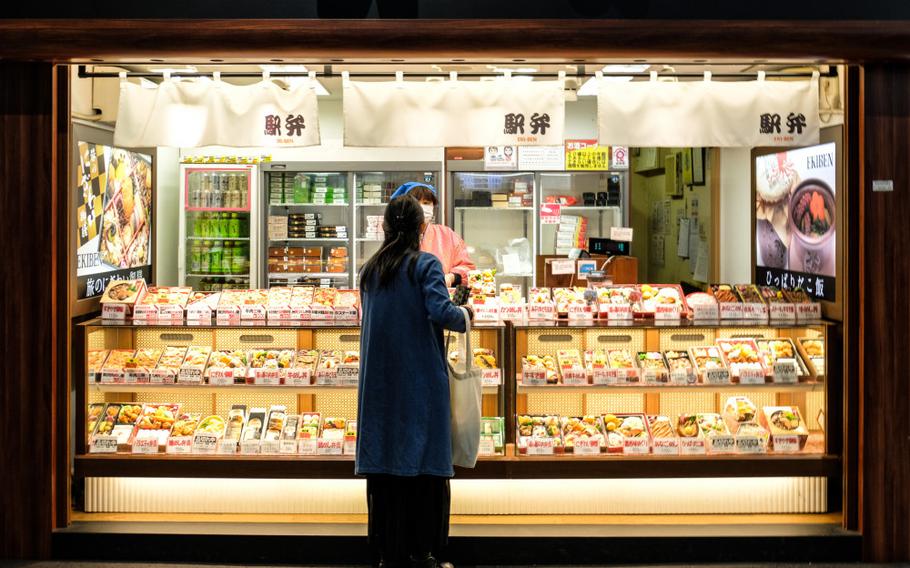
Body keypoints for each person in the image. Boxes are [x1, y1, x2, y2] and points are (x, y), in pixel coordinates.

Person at [356, 195, 473, 568]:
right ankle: (424, 553)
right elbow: (444, 314)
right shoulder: (425, 265)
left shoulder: (371, 269)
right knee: (424, 467)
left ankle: (387, 552)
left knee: (387, 467)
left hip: (379, 383)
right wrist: (467, 310)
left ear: (386, 228)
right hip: (420, 380)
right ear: (422, 229)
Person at [390, 182, 476, 288]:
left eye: (426, 203)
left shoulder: (447, 235)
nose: (422, 208)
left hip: (441, 299)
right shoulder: (397, 237)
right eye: (416, 203)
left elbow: (468, 268)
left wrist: (451, 277)